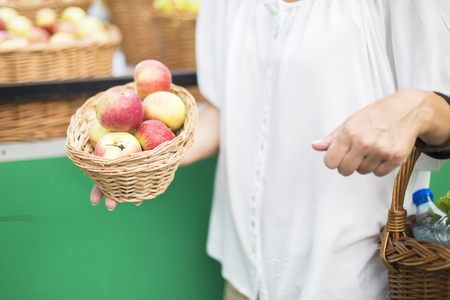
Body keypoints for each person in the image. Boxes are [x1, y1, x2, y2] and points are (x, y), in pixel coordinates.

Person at [91, 0, 450, 299]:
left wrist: (419, 107)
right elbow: (226, 108)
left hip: (352, 277)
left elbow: (441, 113)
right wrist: (146, 158)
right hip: (244, 276)